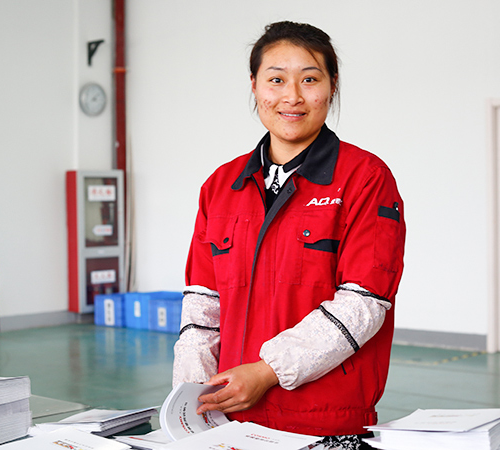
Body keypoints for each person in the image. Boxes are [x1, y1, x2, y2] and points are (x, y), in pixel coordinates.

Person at [172, 20, 406, 450]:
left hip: (324, 421)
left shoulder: (365, 178)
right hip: (228, 418)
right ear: (254, 85)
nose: (292, 96)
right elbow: (202, 306)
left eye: (310, 79)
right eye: (276, 79)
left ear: (332, 86)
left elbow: (364, 302)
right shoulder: (220, 186)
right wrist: (191, 400)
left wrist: (266, 372)